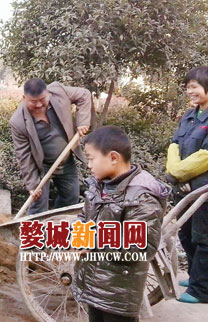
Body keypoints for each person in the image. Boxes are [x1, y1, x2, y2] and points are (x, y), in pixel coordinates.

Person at [72, 126, 169, 322]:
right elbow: (85, 217)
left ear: (113, 158)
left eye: (91, 158)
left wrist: (93, 241)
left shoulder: (141, 196)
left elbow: (140, 246)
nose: (88, 165)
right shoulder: (100, 185)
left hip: (119, 295)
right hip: (94, 284)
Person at [10, 78, 93, 214]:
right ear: (24, 98)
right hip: (41, 166)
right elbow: (23, 155)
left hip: (65, 160)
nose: (39, 105)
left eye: (42, 99)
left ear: (48, 93)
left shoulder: (59, 91)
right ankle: (34, 227)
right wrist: (32, 184)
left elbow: (84, 95)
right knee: (38, 204)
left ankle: (58, 224)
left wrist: (83, 121)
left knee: (70, 198)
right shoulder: (18, 121)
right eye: (33, 101)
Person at [165, 66, 208, 304]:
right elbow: (174, 145)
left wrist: (180, 173)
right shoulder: (190, 116)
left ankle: (201, 290)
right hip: (183, 187)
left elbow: (205, 156)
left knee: (203, 237)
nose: (190, 91)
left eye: (194, 87)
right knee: (186, 234)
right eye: (188, 87)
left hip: (202, 189)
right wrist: (176, 174)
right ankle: (195, 277)